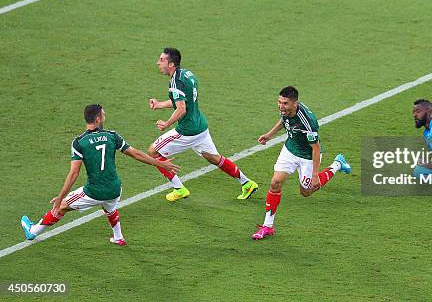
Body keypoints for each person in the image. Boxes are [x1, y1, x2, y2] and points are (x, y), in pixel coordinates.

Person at [20, 104, 180, 246]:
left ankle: (33, 231)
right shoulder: (112, 136)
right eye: (103, 115)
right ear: (97, 119)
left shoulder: (79, 142)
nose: (104, 117)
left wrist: (60, 197)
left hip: (94, 192)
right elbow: (136, 154)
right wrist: (161, 163)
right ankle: (118, 237)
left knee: (61, 207)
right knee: (109, 206)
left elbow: (74, 173)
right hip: (115, 189)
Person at [148, 47, 258, 201]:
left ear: (171, 64)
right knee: (214, 158)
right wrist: (159, 104)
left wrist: (166, 124)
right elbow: (183, 101)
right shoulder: (187, 74)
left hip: (187, 131)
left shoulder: (175, 82)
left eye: (161, 60)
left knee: (153, 152)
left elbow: (181, 109)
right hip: (200, 126)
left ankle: (179, 189)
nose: (158, 63)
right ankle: (247, 183)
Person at [251, 86, 351, 240]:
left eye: (284, 103)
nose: (280, 106)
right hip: (290, 150)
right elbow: (284, 120)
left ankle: (337, 164)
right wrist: (270, 135)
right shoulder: (286, 110)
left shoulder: (308, 122)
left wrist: (315, 175)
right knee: (275, 183)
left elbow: (315, 148)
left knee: (306, 192)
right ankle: (267, 226)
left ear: (294, 104)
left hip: (308, 157)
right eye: (279, 102)